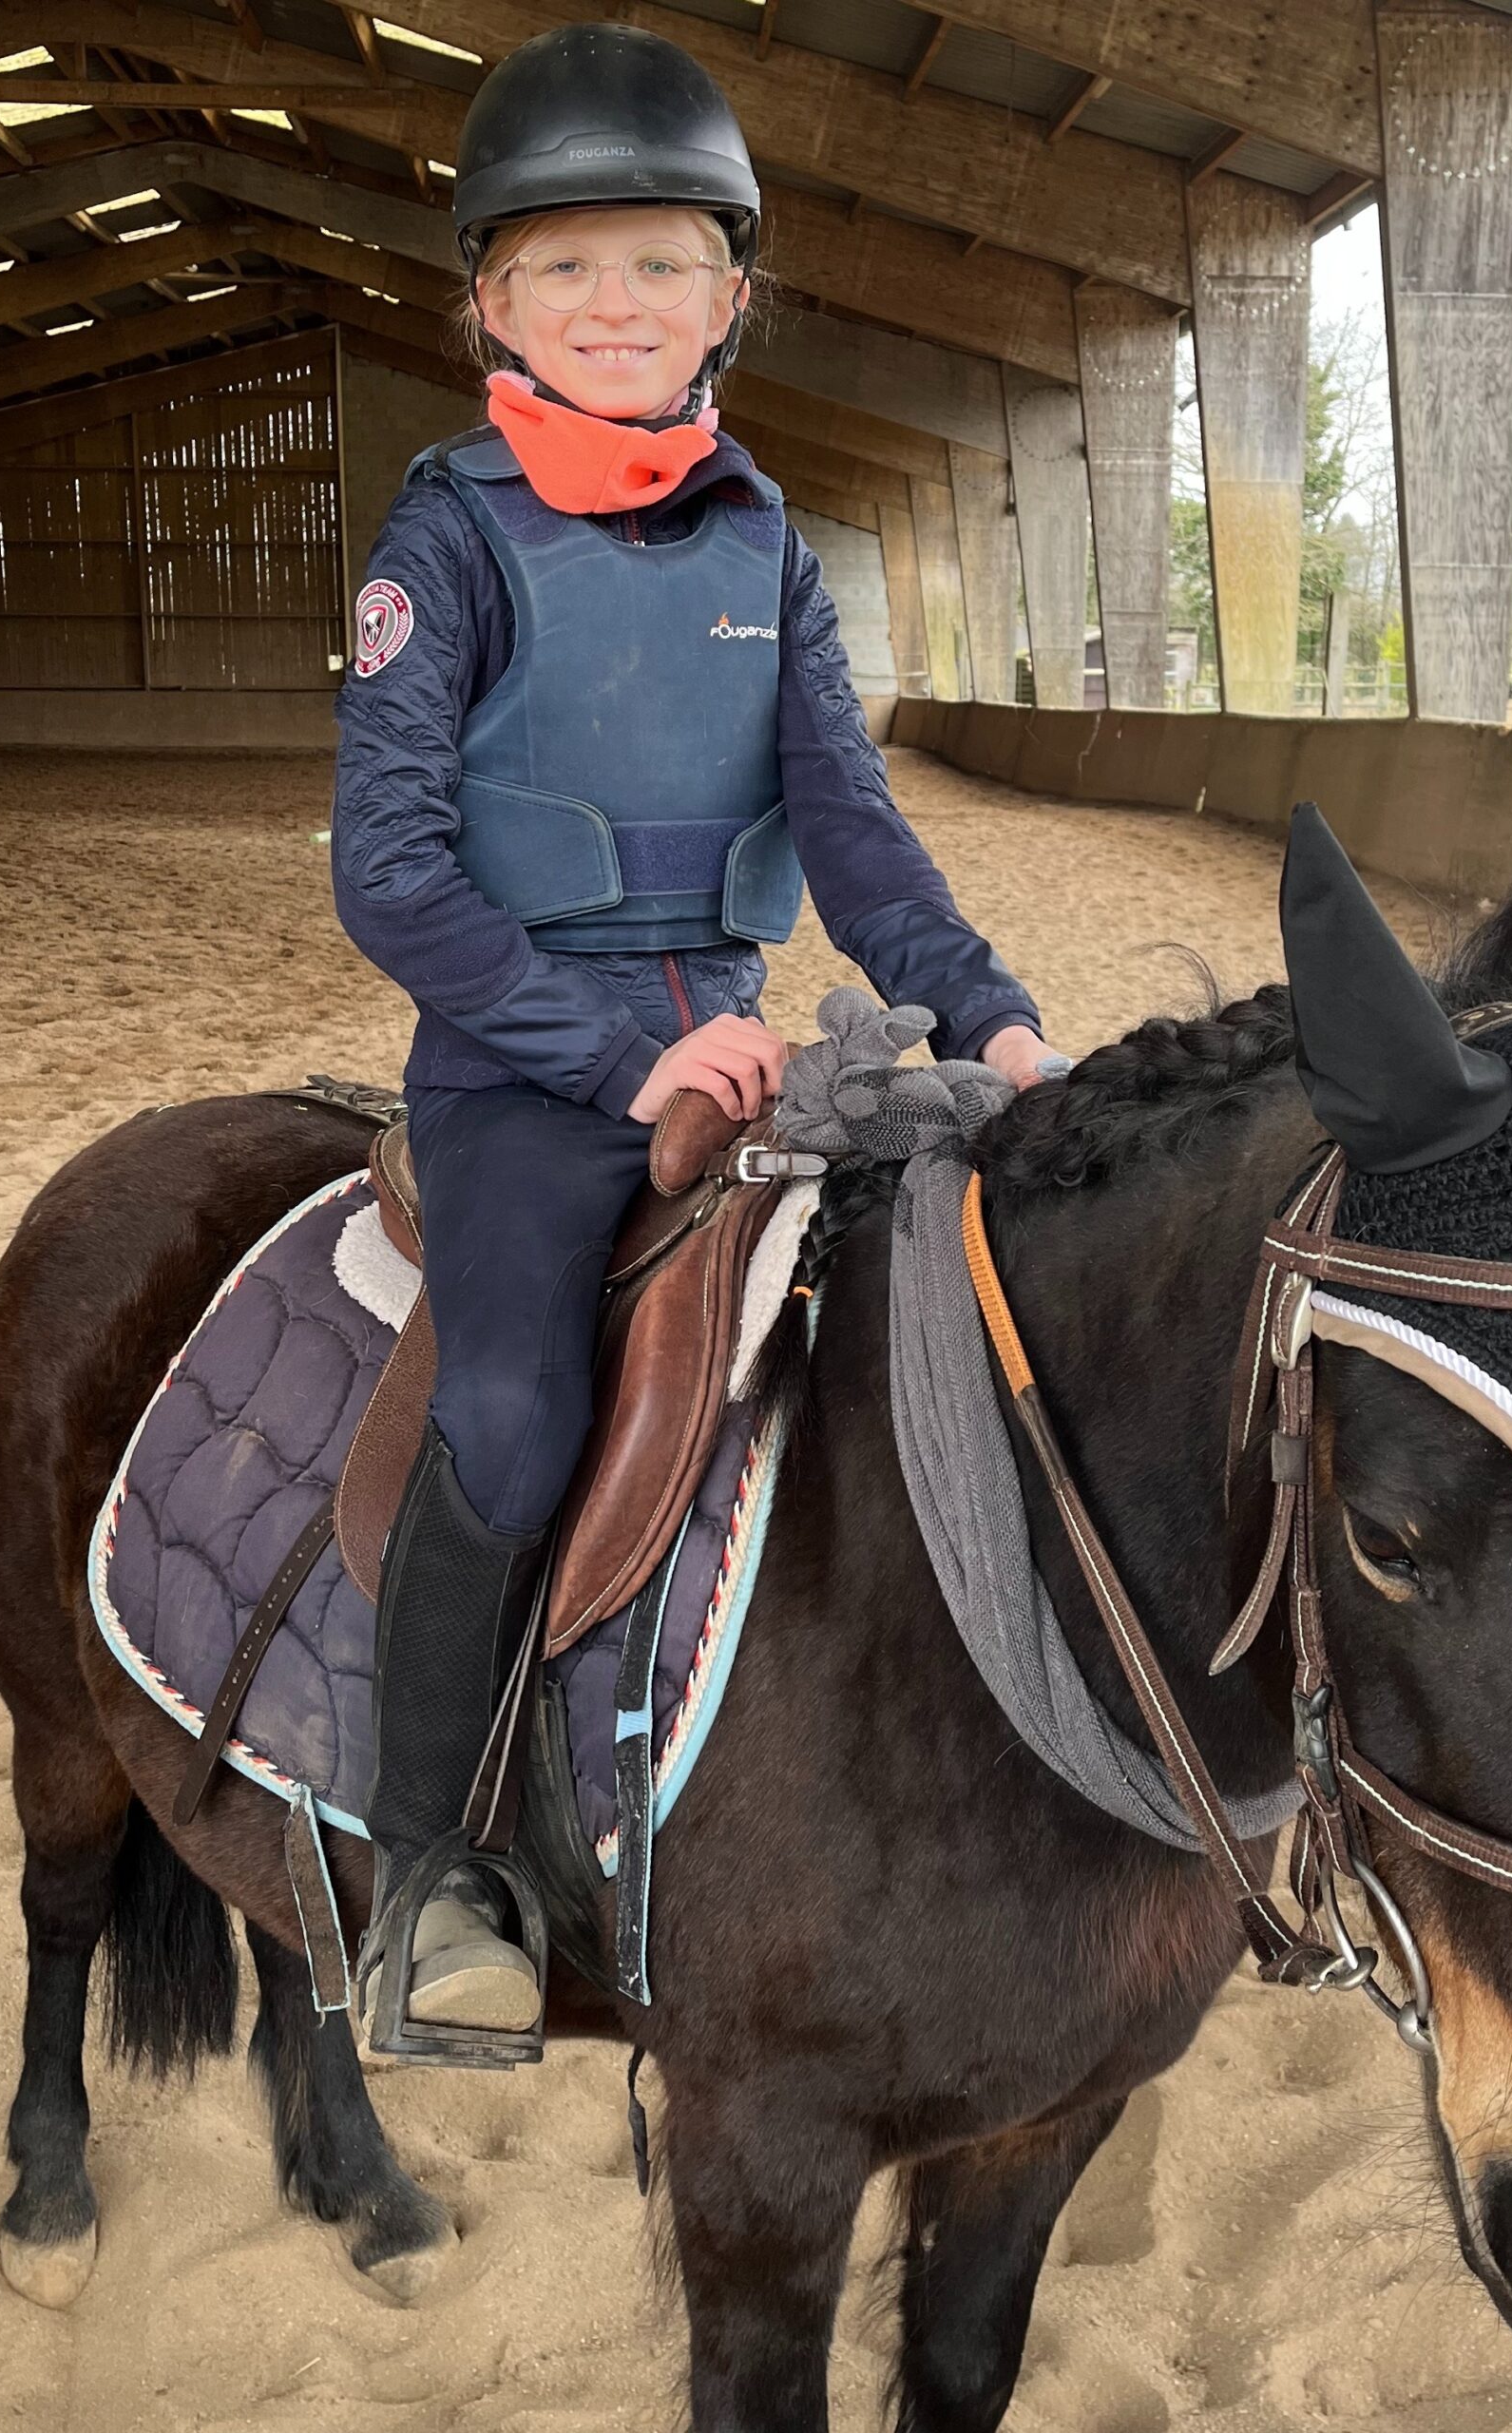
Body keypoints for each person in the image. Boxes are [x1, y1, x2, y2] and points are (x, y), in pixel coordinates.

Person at [329, 22, 1054, 2057]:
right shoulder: (445, 542)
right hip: (520, 1075)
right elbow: (385, 870)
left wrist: (988, 1009)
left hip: (747, 1067)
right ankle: (428, 1873)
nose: (614, 302)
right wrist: (607, 1050)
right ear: (489, 300)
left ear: (731, 295)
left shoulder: (767, 548)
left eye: (657, 261)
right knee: (512, 1416)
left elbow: (851, 829)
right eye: (563, 266)